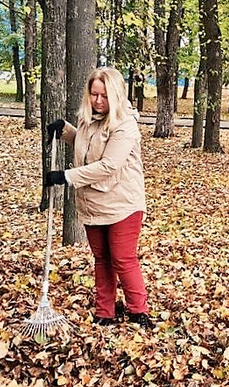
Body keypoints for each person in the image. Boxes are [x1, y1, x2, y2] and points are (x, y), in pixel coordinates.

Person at [43, 66, 152, 330]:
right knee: (102, 258)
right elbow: (85, 143)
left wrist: (65, 176)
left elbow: (108, 165)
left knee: (123, 259)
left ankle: (139, 311)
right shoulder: (88, 118)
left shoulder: (125, 125)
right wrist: (66, 130)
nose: (98, 101)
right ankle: (105, 311)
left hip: (122, 204)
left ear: (115, 96)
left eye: (104, 96)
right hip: (93, 203)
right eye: (94, 94)